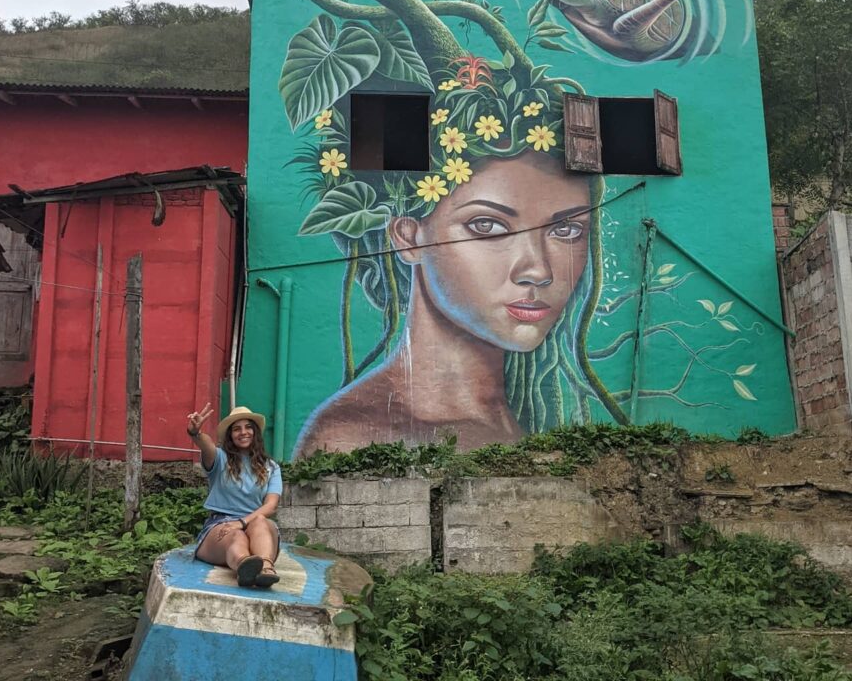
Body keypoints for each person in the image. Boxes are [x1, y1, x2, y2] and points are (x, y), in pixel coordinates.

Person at [294, 151, 593, 454]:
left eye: (566, 230)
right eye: (487, 226)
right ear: (409, 238)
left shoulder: (524, 417)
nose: (538, 271)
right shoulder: (354, 436)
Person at [188, 403, 283, 588]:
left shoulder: (271, 467)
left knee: (261, 522)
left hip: (255, 525)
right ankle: (245, 566)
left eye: (248, 427)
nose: (243, 432)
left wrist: (241, 522)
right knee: (236, 537)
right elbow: (206, 445)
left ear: (255, 432)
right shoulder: (220, 458)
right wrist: (195, 434)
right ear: (230, 435)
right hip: (221, 525)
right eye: (237, 429)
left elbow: (270, 505)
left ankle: (266, 568)